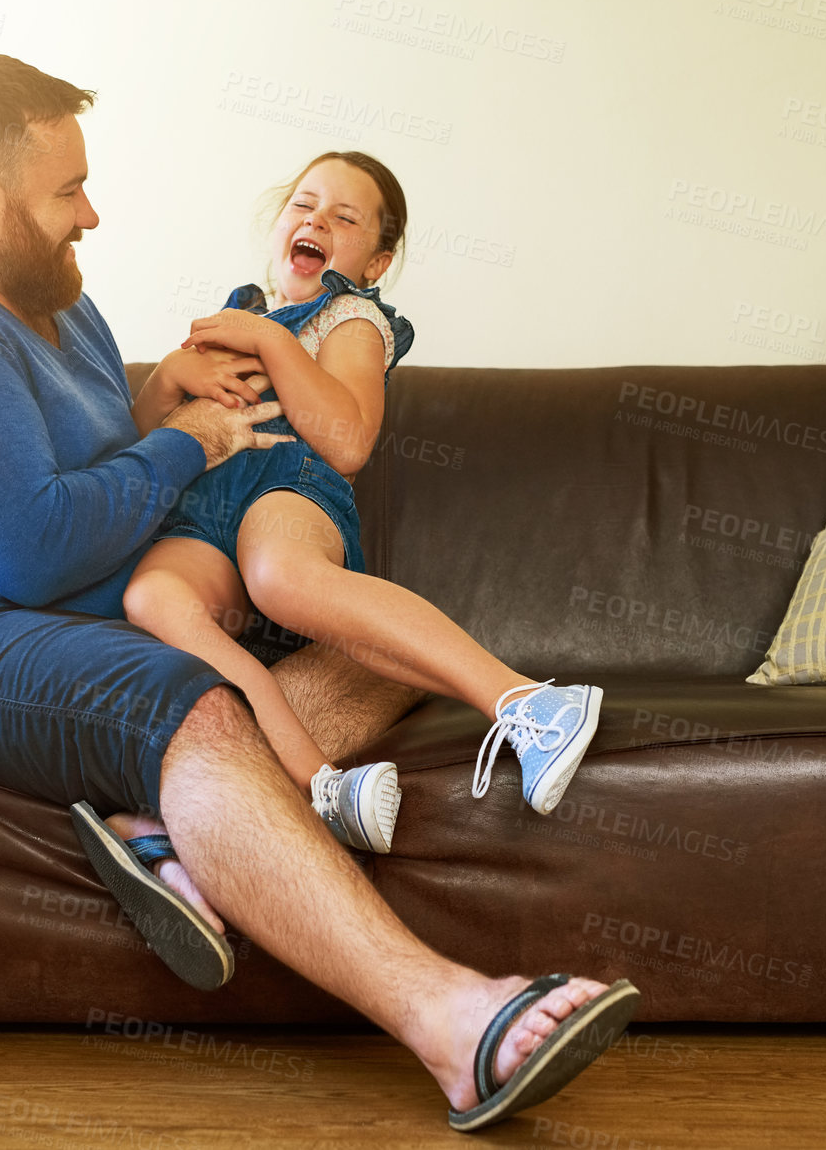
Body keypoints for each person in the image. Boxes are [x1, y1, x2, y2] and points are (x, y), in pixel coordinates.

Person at [0, 51, 638, 1132]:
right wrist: (188, 445)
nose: (89, 213)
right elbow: (37, 550)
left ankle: (164, 827)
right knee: (190, 706)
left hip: (47, 623)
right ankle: (454, 1020)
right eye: (66, 190)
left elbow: (100, 459)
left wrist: (162, 403)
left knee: (373, 652)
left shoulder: (66, 307)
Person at [121, 151, 604, 856]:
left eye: (343, 218)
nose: (316, 219)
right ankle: (322, 786)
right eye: (304, 205)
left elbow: (346, 441)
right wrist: (169, 378)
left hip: (285, 484)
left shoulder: (348, 316)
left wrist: (271, 341)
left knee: (280, 575)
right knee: (151, 598)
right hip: (198, 508)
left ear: (375, 263)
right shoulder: (232, 316)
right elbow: (139, 455)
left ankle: (529, 702)